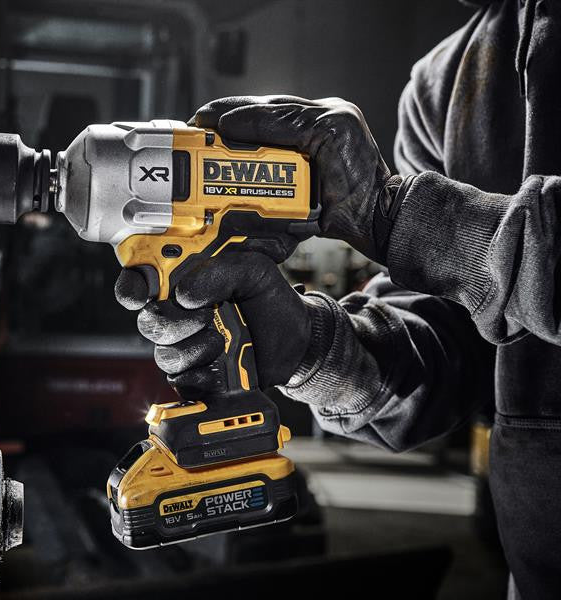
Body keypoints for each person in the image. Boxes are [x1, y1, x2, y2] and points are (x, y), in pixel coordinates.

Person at [113, 1, 561, 598]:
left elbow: (414, 229)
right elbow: (455, 352)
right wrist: (316, 349)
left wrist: (395, 214)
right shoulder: (443, 83)